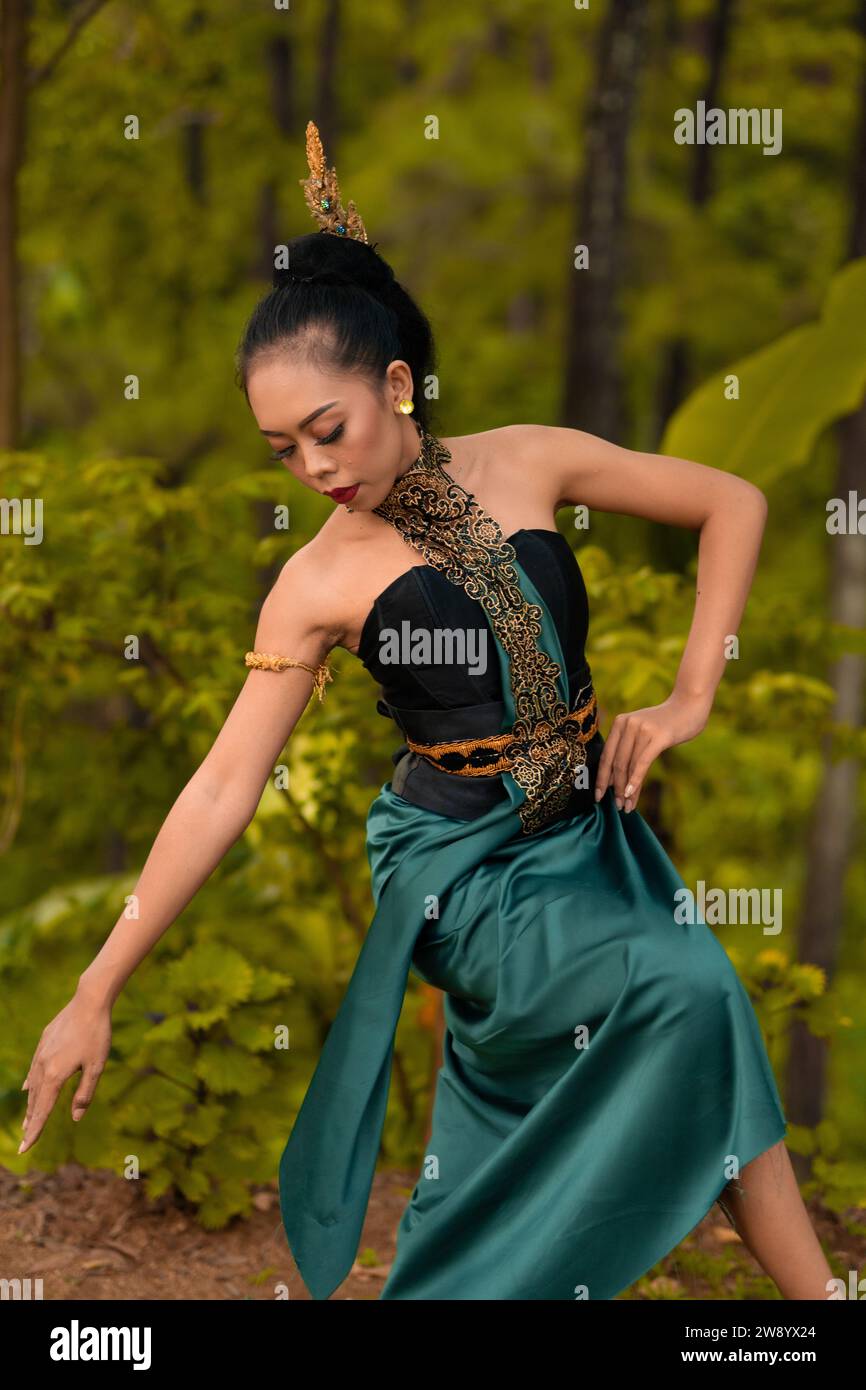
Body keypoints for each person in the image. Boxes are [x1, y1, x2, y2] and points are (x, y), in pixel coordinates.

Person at [20, 123, 833, 1302]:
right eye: (281, 447)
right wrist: (94, 987)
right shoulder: (316, 583)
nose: (312, 466)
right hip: (463, 871)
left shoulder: (530, 460)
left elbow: (732, 499)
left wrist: (690, 695)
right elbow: (221, 786)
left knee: (704, 1010)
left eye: (327, 429)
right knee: (689, 984)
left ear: (396, 384)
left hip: (588, 836)